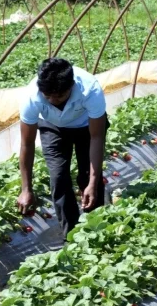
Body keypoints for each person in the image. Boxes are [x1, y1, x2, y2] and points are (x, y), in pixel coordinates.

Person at [16, 58, 108, 238]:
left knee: (88, 177)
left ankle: (97, 230)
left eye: (58, 96)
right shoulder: (31, 97)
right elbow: (26, 143)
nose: (52, 100)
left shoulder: (90, 90)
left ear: (71, 87)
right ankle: (71, 235)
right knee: (58, 177)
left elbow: (97, 137)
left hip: (86, 127)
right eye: (47, 96)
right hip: (52, 127)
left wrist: (92, 183)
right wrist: (26, 188)